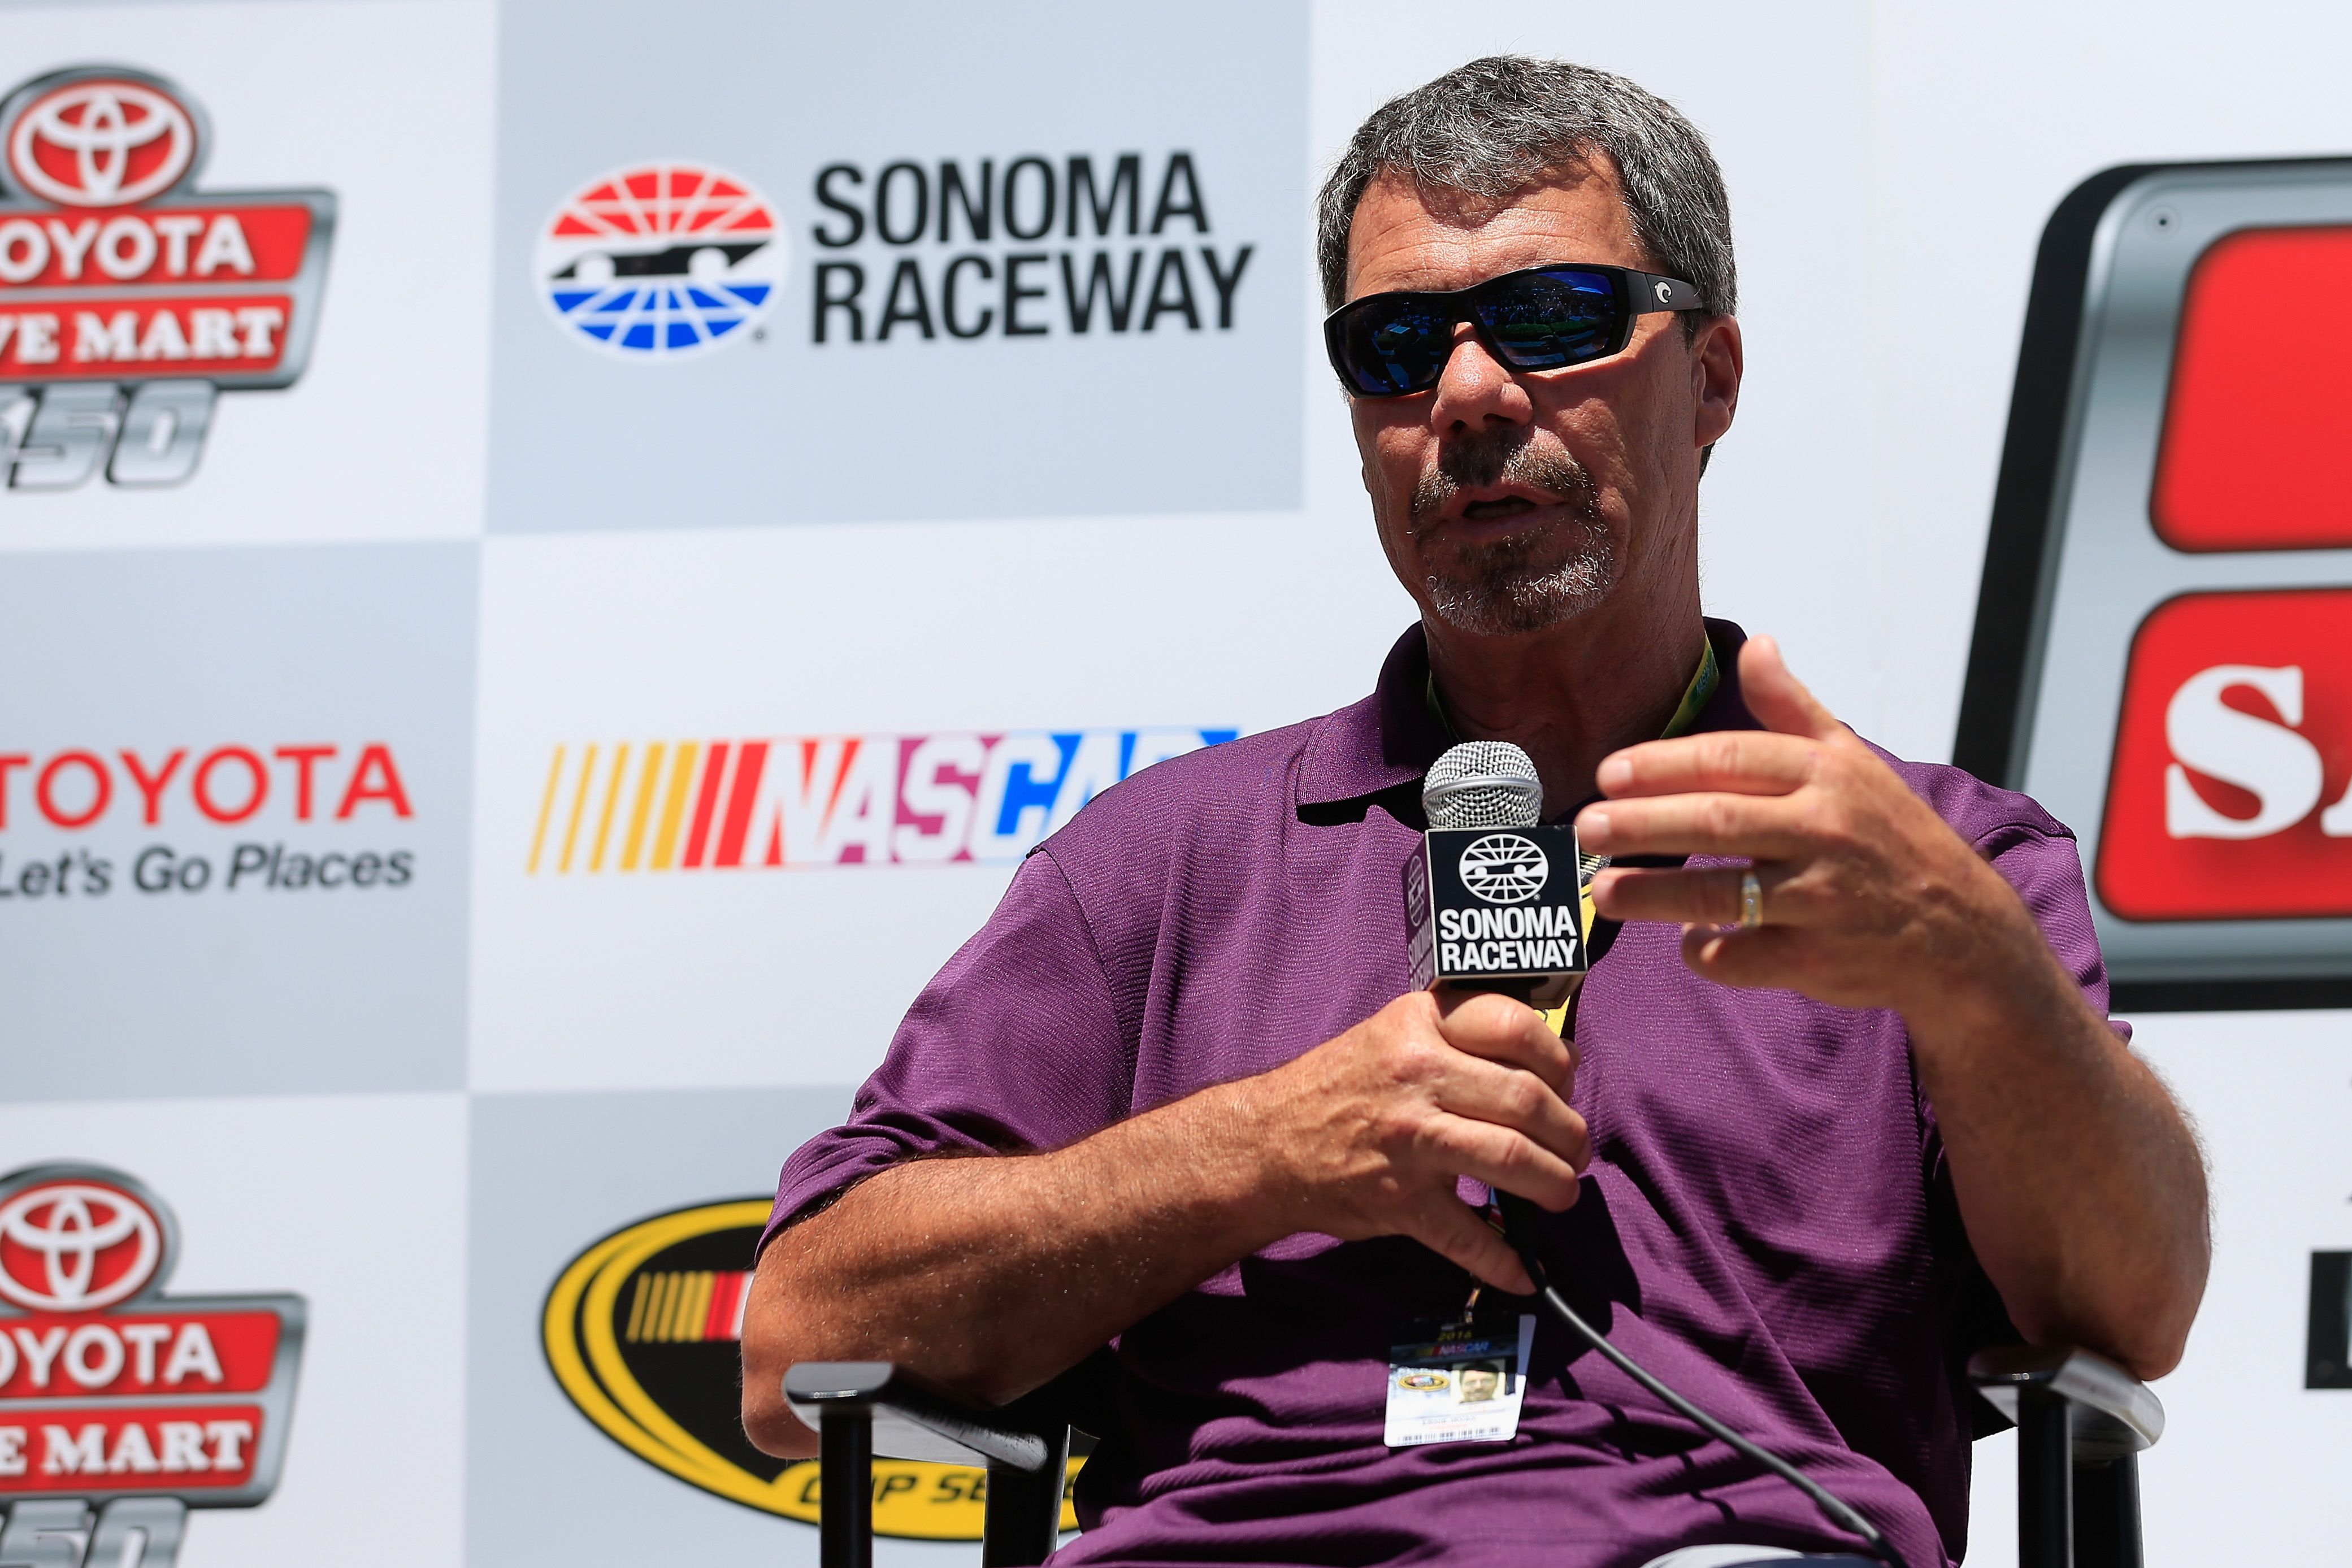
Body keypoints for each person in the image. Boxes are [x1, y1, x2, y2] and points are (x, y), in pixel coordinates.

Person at [740, 55, 2208, 1568]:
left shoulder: (1919, 864)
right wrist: (1254, 1149)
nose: (1464, 393)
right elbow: (801, 1347)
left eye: (1552, 317)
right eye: (1393, 344)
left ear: (1708, 378)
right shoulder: (1158, 865)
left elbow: (2130, 1313)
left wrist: (1976, 971)